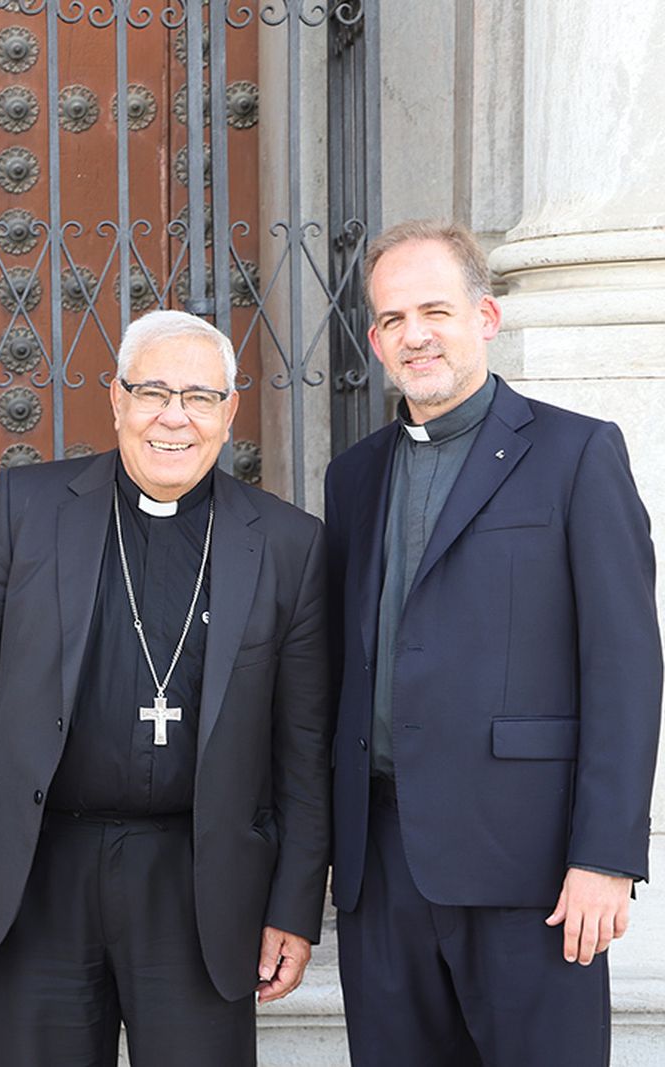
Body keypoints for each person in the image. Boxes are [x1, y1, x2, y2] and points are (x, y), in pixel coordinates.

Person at [0, 309, 332, 1066]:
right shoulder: (30, 508)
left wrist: (294, 904)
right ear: (116, 399)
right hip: (44, 867)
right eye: (153, 392)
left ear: (229, 411)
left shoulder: (286, 543)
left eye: (200, 397)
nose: (174, 417)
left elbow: (304, 746)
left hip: (200, 882)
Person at [325, 219, 662, 1066]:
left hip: (534, 869)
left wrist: (605, 856)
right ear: (375, 339)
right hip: (385, 866)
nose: (415, 334)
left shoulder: (577, 452)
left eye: (434, 309)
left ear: (485, 316)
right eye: (393, 318)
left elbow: (625, 668)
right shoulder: (355, 475)